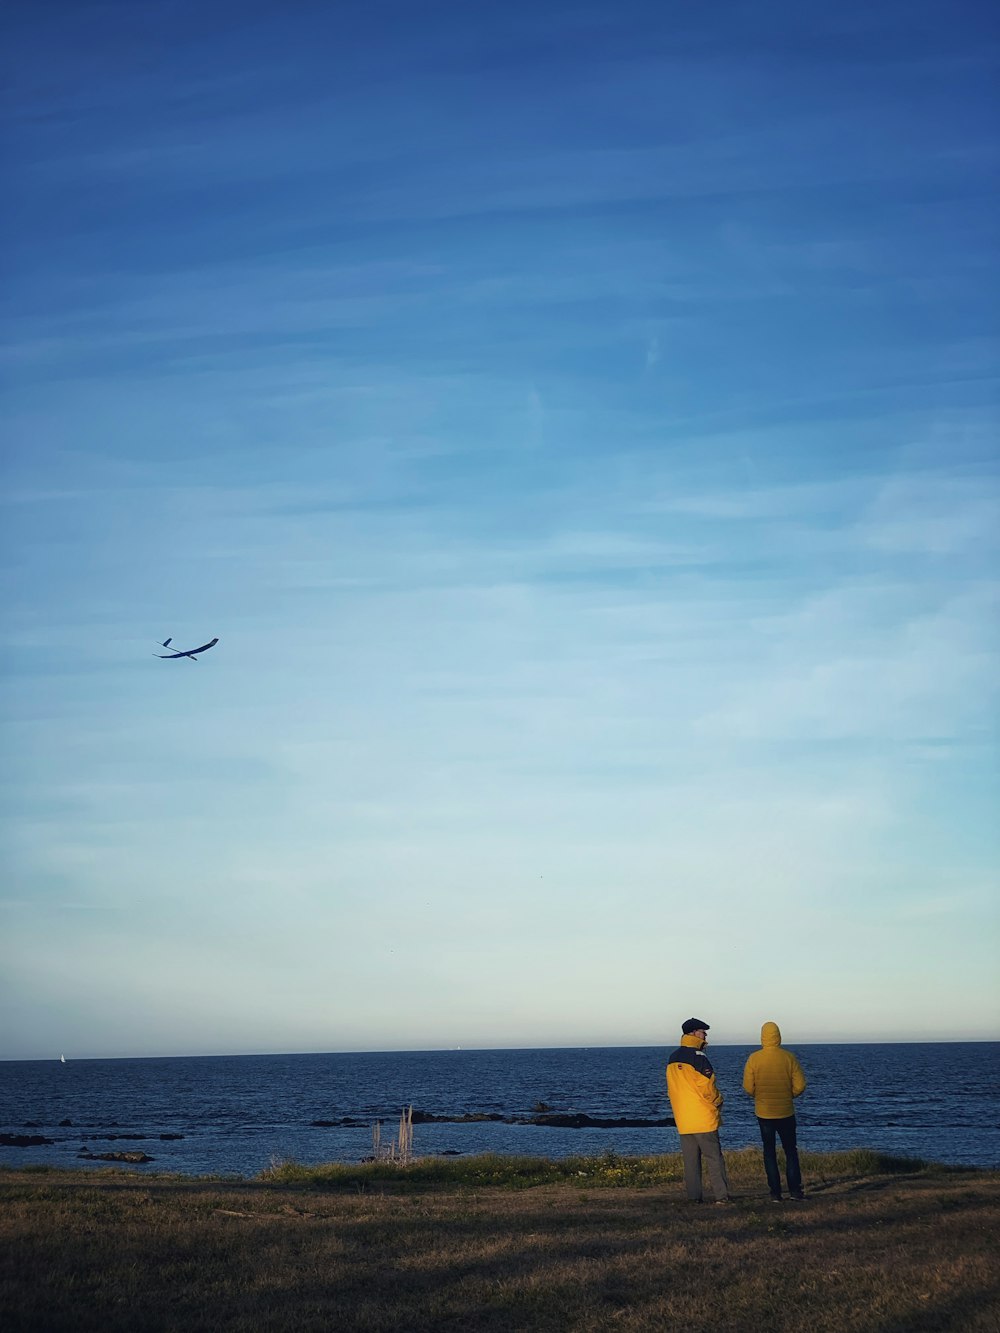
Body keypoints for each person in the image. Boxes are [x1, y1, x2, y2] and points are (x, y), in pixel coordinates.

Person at [665, 1018, 730, 1204]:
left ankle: (694, 1197)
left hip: (684, 1119)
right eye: (703, 1031)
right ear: (693, 1033)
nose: (706, 1035)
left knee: (691, 1161)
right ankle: (722, 1196)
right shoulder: (699, 1057)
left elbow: (672, 1089)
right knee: (714, 1159)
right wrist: (718, 1101)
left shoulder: (672, 1058)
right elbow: (707, 1087)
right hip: (703, 1117)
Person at [742, 1020, 807, 1201]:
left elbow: (747, 1087)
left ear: (762, 1037)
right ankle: (795, 1191)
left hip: (764, 1113)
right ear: (778, 1036)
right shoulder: (788, 1057)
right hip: (786, 1111)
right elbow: (800, 1085)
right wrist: (789, 1095)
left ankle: (775, 1193)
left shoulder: (754, 1058)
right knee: (790, 1150)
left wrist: (759, 1096)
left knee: (769, 1151)